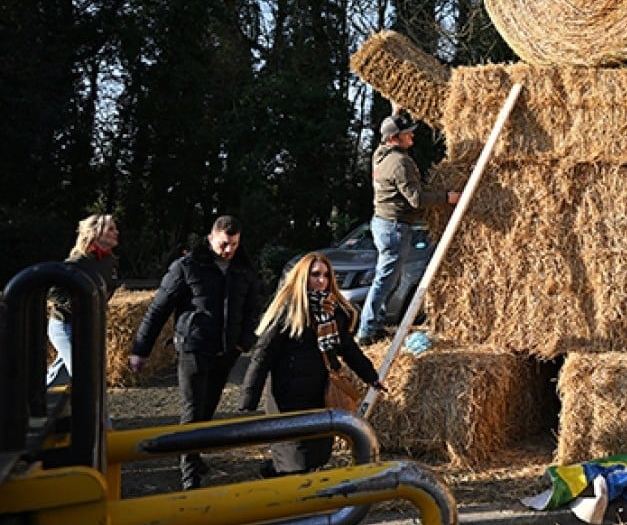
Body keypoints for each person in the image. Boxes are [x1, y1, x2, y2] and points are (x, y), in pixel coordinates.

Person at [129, 215, 261, 490]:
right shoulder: (187, 267)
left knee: (207, 408)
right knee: (191, 408)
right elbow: (158, 309)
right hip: (193, 346)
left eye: (234, 245)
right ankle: (189, 473)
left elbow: (252, 308)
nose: (229, 251)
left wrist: (243, 342)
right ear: (211, 238)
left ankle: (195, 454)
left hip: (226, 350)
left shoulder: (244, 268)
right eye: (224, 244)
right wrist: (141, 350)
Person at [239, 253, 385, 476]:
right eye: (315, 275)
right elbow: (263, 355)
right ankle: (278, 479)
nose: (322, 280)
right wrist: (248, 400)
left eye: (326, 275)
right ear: (303, 277)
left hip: (319, 394)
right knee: (294, 457)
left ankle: (282, 479)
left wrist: (371, 376)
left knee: (316, 454)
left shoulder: (333, 312)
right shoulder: (288, 311)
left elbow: (348, 349)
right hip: (288, 397)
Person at [362, 110, 459, 346]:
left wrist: (395, 112)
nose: (412, 138)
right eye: (407, 134)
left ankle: (375, 325)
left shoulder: (380, 155)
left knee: (389, 278)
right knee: (385, 279)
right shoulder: (400, 163)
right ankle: (366, 330)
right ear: (394, 138)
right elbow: (416, 199)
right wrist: (447, 198)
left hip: (382, 223)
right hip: (395, 226)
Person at [48, 214, 121, 386]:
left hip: (87, 326)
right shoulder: (77, 262)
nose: (116, 232)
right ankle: (101, 414)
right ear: (96, 233)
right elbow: (53, 292)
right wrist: (81, 306)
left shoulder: (110, 261)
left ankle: (27, 405)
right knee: (87, 376)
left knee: (59, 376)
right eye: (111, 229)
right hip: (65, 326)